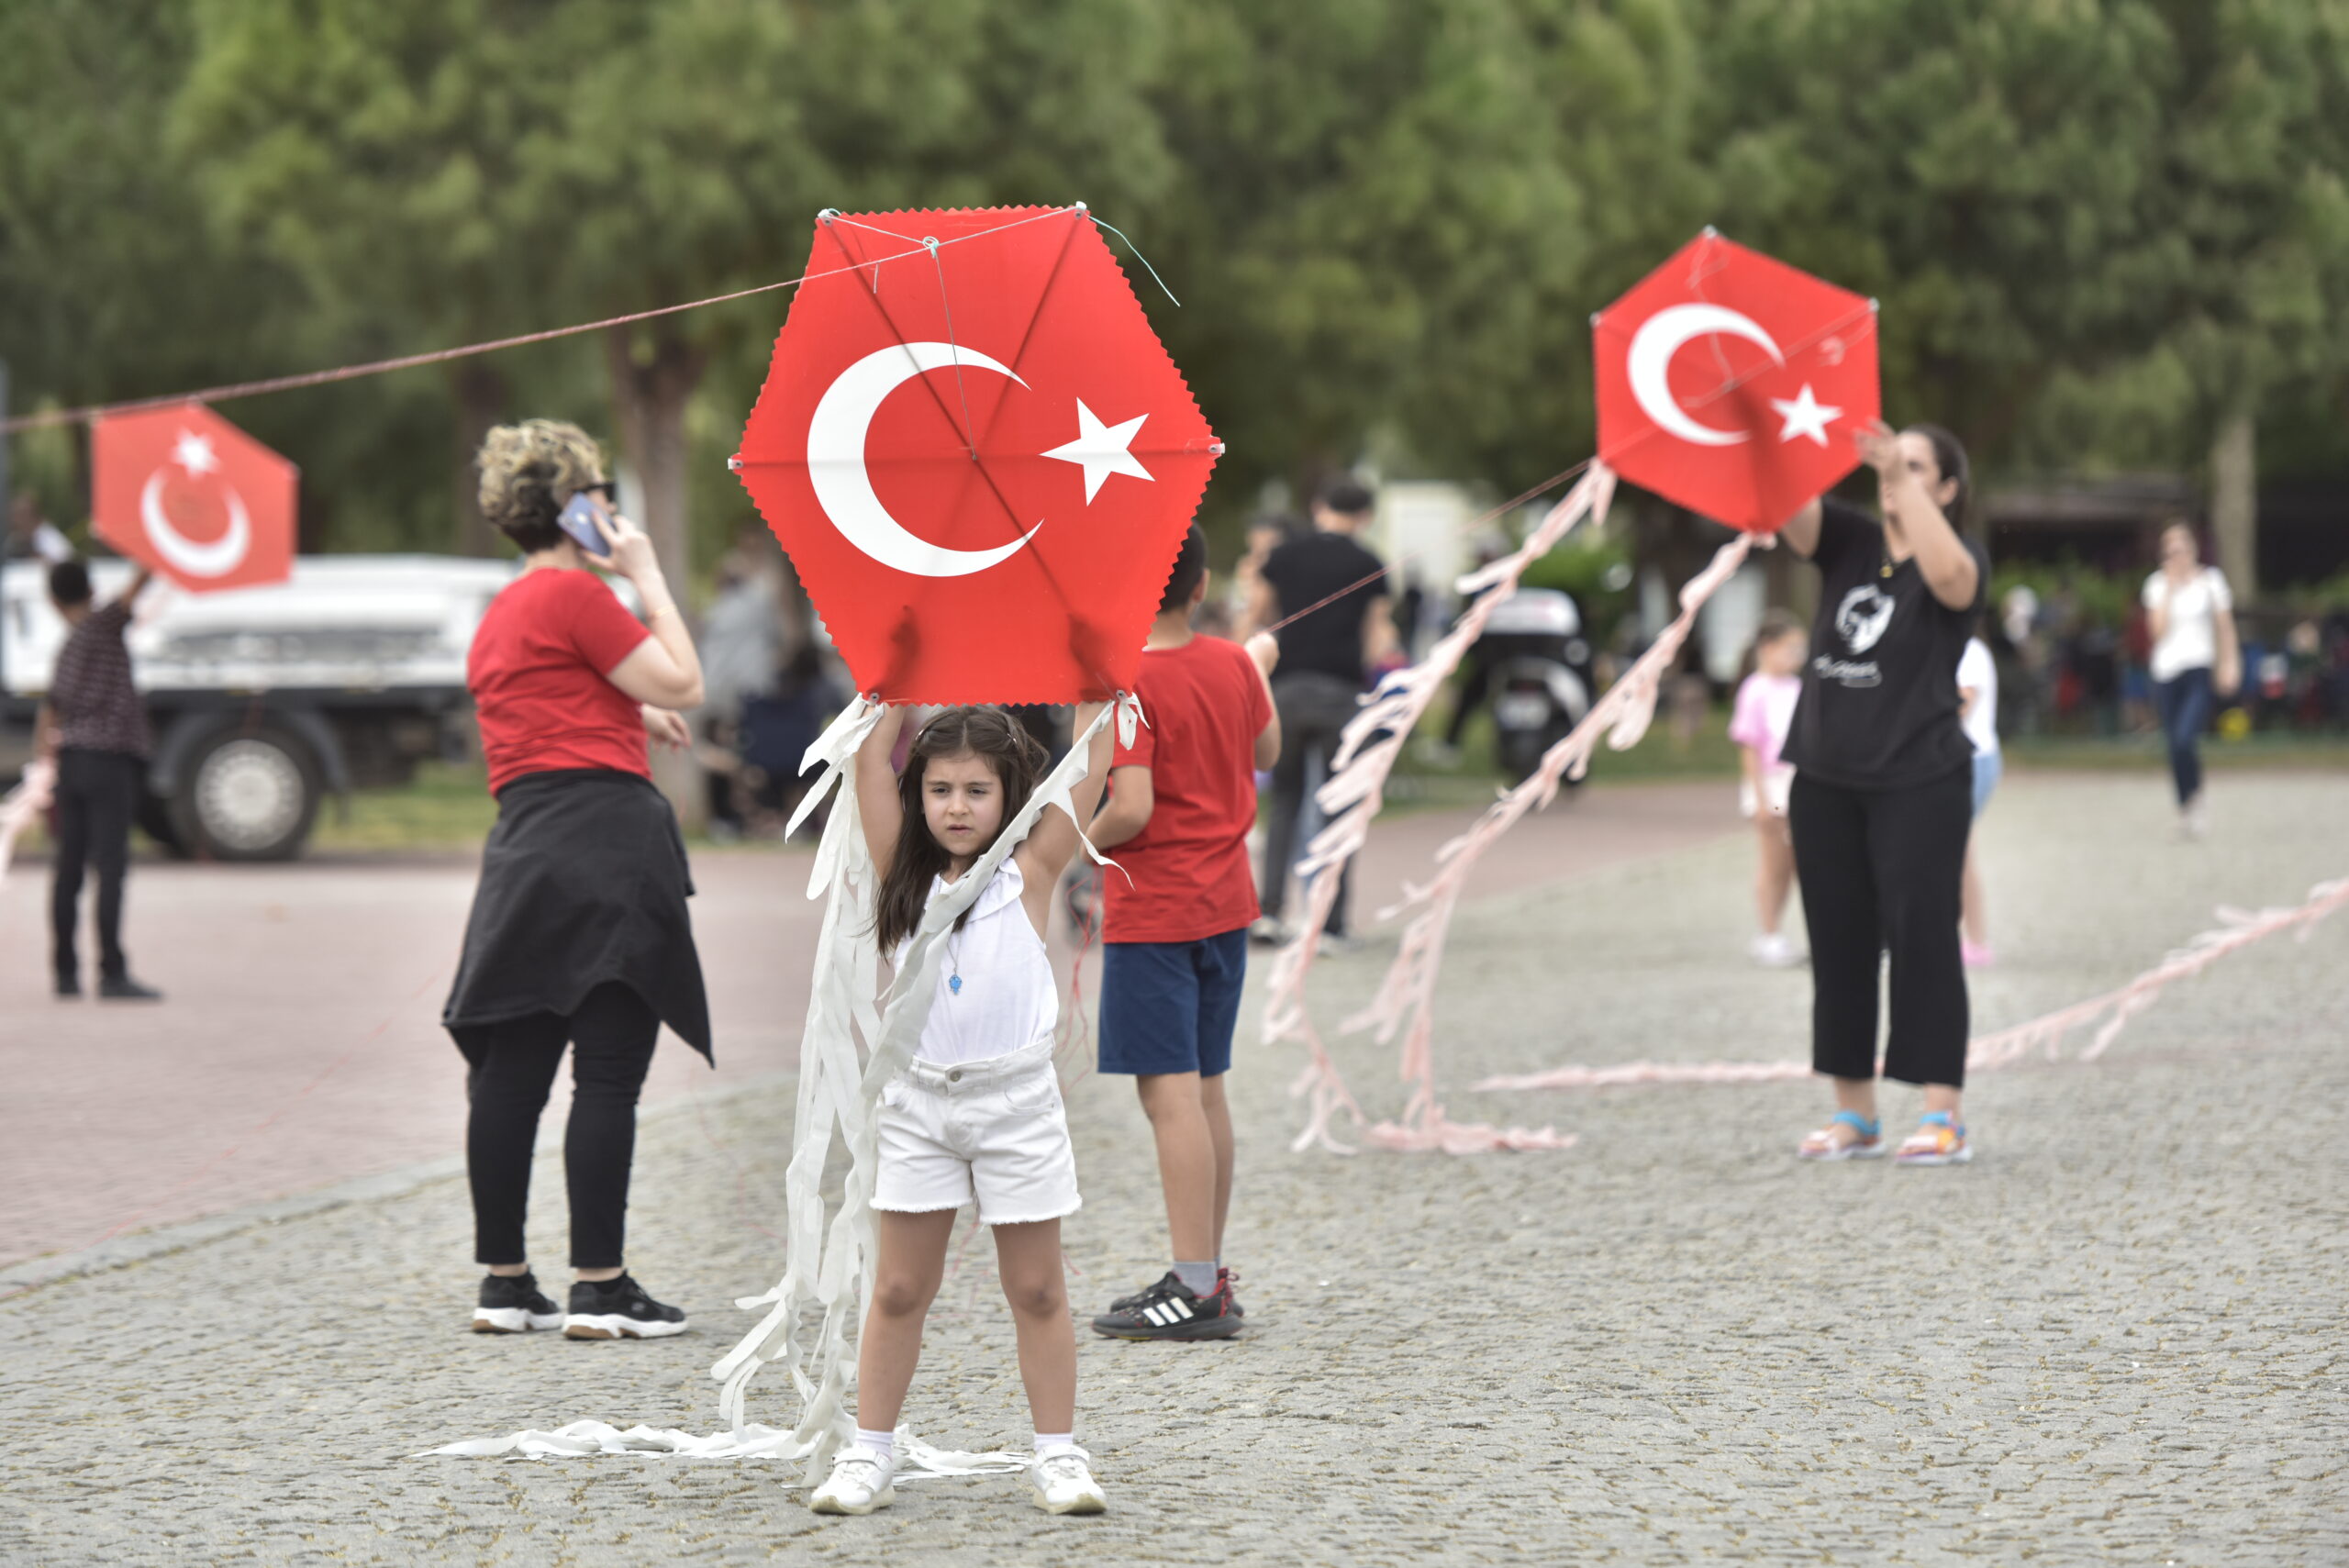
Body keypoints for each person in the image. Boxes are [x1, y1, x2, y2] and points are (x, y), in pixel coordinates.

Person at [809, 701, 1115, 1518]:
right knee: (902, 1286)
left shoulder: (1031, 871)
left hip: (1016, 1103)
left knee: (1038, 1288)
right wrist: (893, 692)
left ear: (1010, 794)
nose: (955, 806)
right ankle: (869, 1452)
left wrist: (1096, 681)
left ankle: (1057, 1453)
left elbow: (1091, 761)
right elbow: (872, 766)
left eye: (977, 790)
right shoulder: (898, 874)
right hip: (917, 1104)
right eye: (940, 788)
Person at [440, 420, 710, 1341]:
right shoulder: (583, 594)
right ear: (572, 507)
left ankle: (504, 1281)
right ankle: (600, 1285)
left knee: (512, 1076)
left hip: (525, 849)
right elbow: (685, 681)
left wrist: (625, 715)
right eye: (602, 496)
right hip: (608, 844)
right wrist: (647, 577)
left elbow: (550, 716)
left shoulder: (501, 612)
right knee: (606, 1075)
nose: (612, 512)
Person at [1082, 526, 1280, 1342]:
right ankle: (1208, 1269)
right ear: (1201, 588)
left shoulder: (1122, 681)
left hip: (1155, 909)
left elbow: (1131, 806)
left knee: (1169, 1098)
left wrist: (1068, 838)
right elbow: (1266, 747)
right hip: (1226, 903)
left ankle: (1194, 1284)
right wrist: (1252, 670)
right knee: (1207, 1089)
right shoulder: (1234, 661)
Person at [1777, 420, 1987, 1168]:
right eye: (1893, 464)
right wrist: (1763, 427)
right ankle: (1854, 1113)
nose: (1894, 475)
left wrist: (1898, 475)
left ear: (1947, 489)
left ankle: (1942, 1114)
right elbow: (1788, 507)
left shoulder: (1956, 562)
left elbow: (1952, 576)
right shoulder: (1851, 540)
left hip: (1920, 779)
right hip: (1825, 777)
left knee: (1924, 936)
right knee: (1838, 946)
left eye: (1918, 465)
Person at [1245, 478, 1395, 946]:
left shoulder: (1284, 557)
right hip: (1341, 696)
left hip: (1286, 691)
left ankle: (1268, 912)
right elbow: (1378, 636)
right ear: (1365, 516)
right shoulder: (1370, 563)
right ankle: (1329, 924)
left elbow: (1257, 613)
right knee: (1338, 809)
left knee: (1285, 802)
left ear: (1317, 507)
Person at [38, 559, 162, 1000]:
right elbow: (135, 590)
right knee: (110, 868)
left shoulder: (68, 646)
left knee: (68, 870)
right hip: (109, 761)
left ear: (52, 599)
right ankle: (112, 972)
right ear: (91, 590)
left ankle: (65, 974)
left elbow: (50, 711)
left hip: (71, 761)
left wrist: (43, 770)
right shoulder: (102, 628)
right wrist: (155, 553)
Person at [2143, 520, 2241, 838]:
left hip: (2198, 667)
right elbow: (2156, 632)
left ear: (2193, 549)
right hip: (2166, 671)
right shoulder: (2156, 585)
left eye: (2181, 549)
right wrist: (2171, 589)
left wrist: (2230, 662)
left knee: (2186, 737)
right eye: (2170, 551)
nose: (2176, 556)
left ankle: (2197, 797)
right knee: (2173, 743)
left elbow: (2224, 627)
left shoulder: (2211, 581)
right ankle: (2185, 804)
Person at [1728, 610, 1806, 969]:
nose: (1796, 655)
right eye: (1789, 648)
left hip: (1795, 784)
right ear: (1767, 647)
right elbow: (1750, 747)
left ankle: (1779, 932)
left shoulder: (1796, 688)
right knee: (1773, 860)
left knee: (1792, 863)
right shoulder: (1755, 690)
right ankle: (1768, 932)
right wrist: (1760, 798)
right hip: (1770, 789)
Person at [1957, 627, 2001, 967]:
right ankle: (1970, 938)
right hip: (1959, 759)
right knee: (1956, 852)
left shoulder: (1968, 649)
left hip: (1971, 759)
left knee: (1958, 851)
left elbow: (1961, 705)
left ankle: (1974, 940)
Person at [7, 494, 74, 564]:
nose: (15, 520)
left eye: (20, 515)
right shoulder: (14, 538)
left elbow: (67, 559)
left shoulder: (48, 534)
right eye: (14, 515)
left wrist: (42, 558)